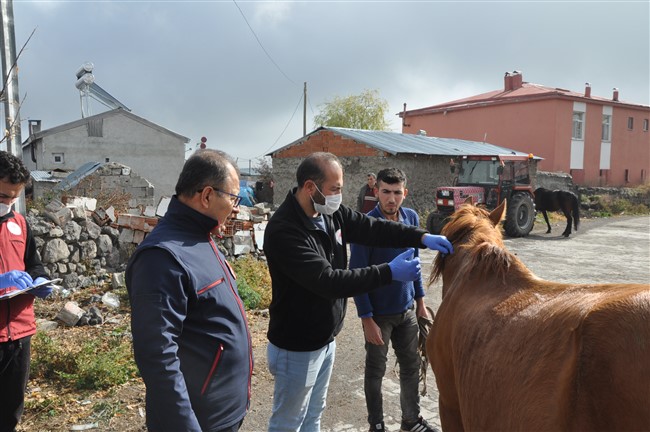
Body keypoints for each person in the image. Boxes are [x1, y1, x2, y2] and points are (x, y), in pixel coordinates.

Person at [263, 152, 453, 431]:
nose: (340, 195)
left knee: (314, 414)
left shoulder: (327, 213)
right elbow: (329, 280)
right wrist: (389, 271)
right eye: (335, 189)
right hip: (298, 346)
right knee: (288, 422)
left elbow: (372, 227)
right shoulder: (285, 231)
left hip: (324, 338)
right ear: (309, 187)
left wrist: (420, 237)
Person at [126, 149, 253, 432]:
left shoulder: (201, 238)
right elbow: (158, 358)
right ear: (207, 195)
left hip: (224, 414)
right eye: (233, 198)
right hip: (200, 422)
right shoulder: (161, 257)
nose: (236, 207)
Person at [350, 168, 436, 432]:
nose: (391, 198)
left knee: (411, 366)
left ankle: (410, 421)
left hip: (406, 311)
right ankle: (376, 424)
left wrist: (420, 302)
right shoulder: (366, 226)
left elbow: (415, 265)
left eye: (397, 193)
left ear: (404, 193)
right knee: (375, 371)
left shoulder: (410, 217)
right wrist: (366, 319)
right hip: (378, 315)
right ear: (376, 192)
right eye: (386, 192)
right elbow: (357, 277)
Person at [0, 150, 54, 431]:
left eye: (13, 198)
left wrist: (40, 281)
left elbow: (34, 264)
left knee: (10, 412)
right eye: (2, 197)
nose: (8, 204)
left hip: (19, 334)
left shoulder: (20, 224)